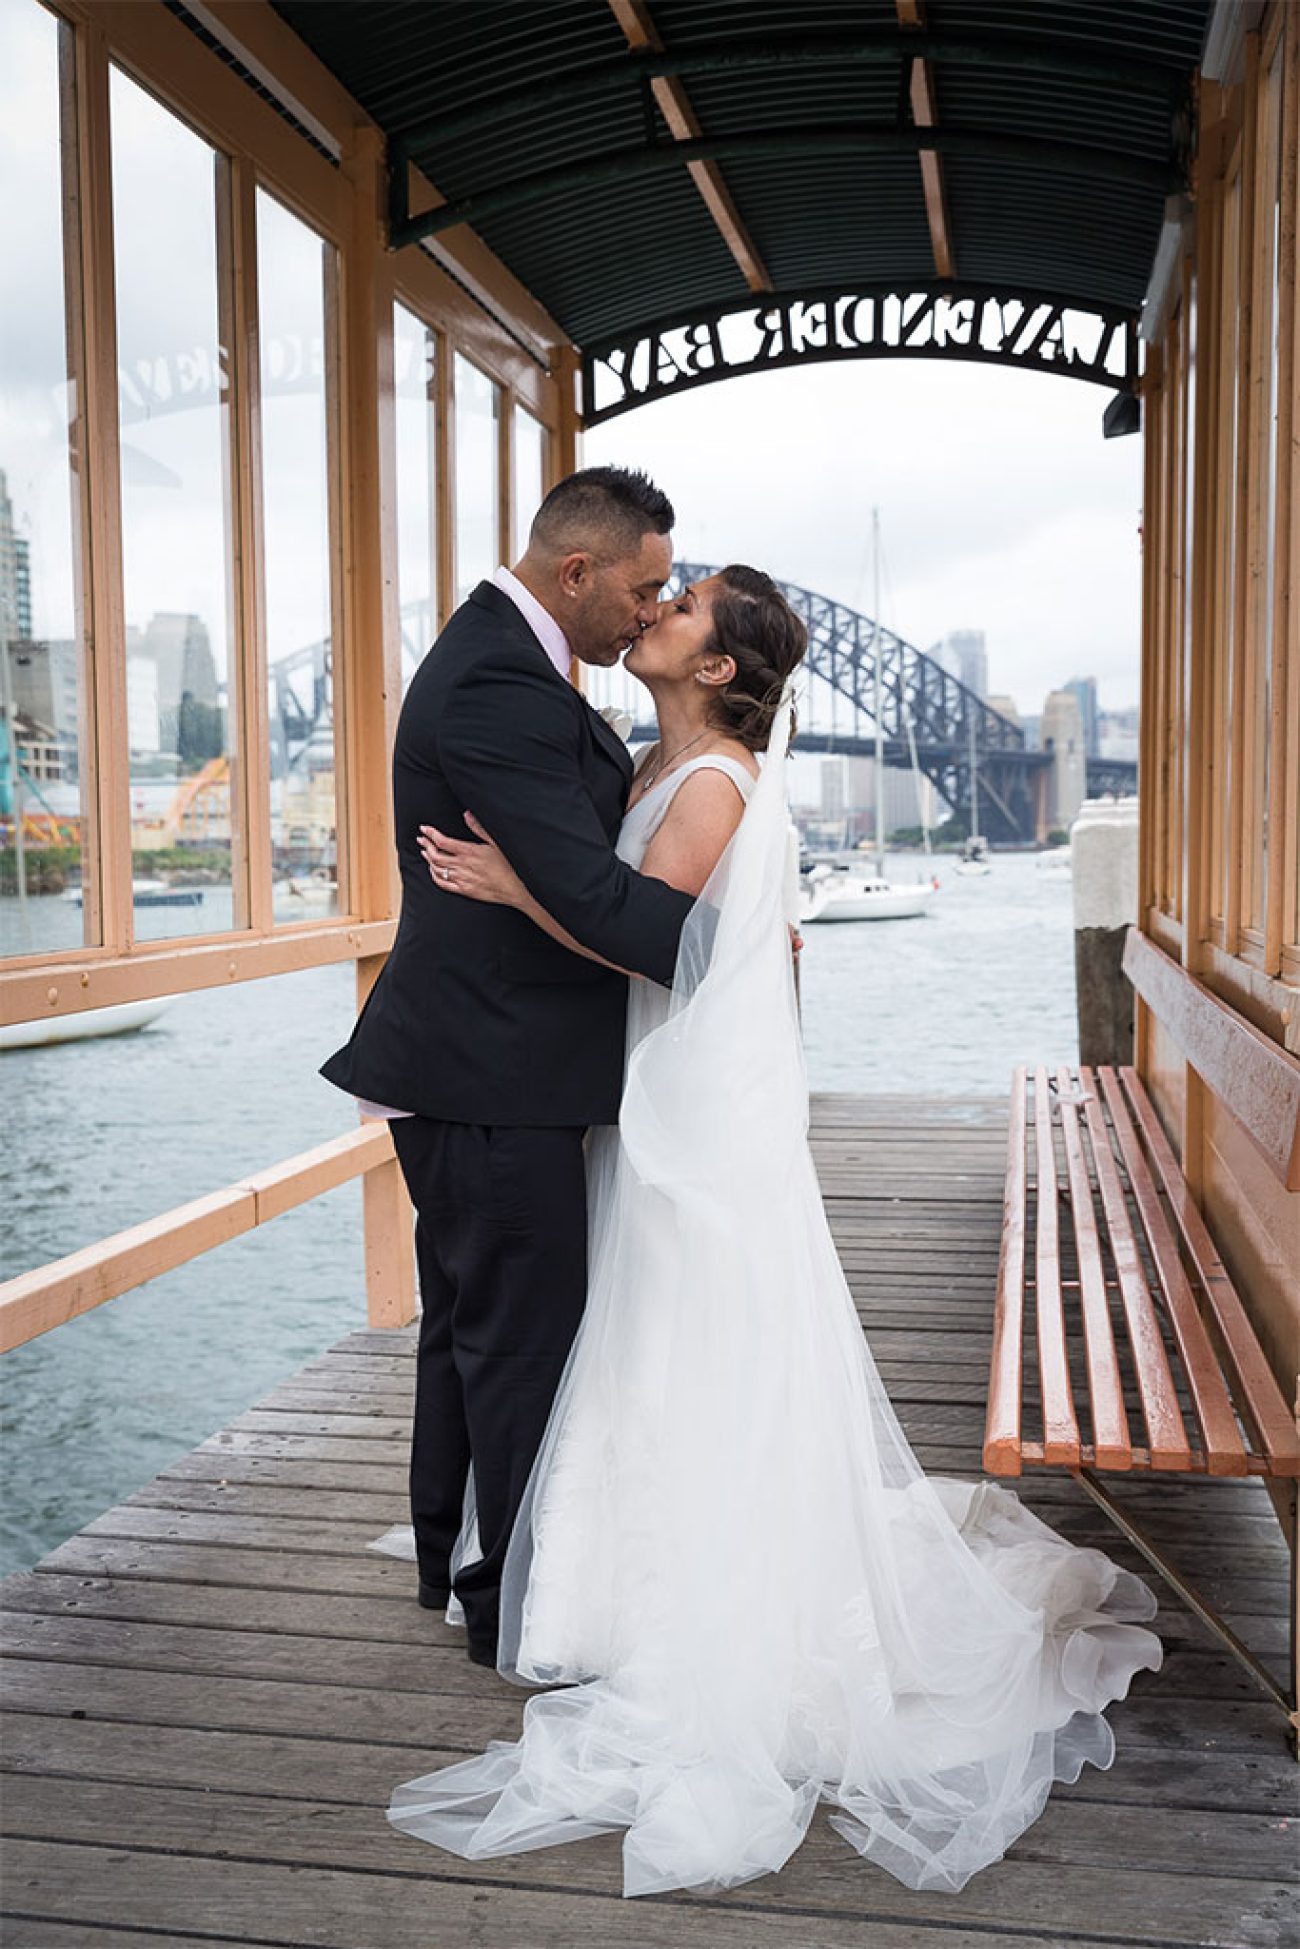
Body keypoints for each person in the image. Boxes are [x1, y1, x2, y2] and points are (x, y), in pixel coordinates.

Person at [383, 566, 1163, 1899]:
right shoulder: (651, 766)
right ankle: (622, 1555)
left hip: (694, 1098)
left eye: (681, 608)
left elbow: (665, 942)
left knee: (690, 1317)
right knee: (658, 1327)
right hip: (672, 1081)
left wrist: (519, 890)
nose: (655, 613)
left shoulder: (708, 784)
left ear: (723, 670)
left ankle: (682, 1572)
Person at [320, 467, 699, 1668]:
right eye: (640, 591)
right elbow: (590, 894)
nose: (651, 612)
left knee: (471, 1327)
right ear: (574, 572)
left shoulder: (509, 660)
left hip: (485, 1064)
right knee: (518, 1339)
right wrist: (730, 948)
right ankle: (517, 1611)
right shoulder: (495, 678)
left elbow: (562, 867)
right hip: (491, 1070)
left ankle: (457, 1559)